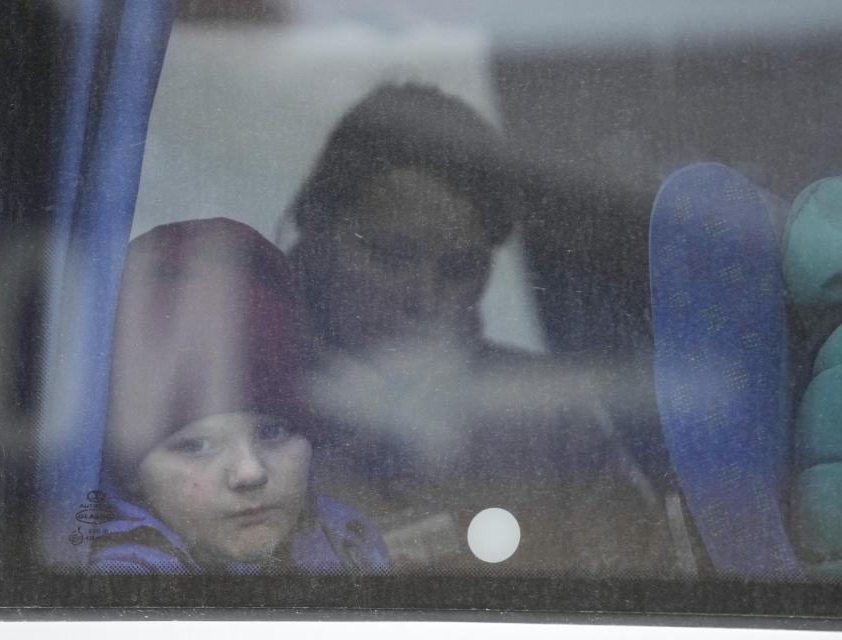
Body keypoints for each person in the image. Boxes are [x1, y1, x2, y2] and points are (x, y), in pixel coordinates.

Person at [285, 83, 673, 574]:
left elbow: (634, 592)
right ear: (315, 225)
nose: (425, 300)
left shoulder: (548, 421)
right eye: (391, 255)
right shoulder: (233, 411)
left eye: (459, 268)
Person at [90, 217, 389, 574]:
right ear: (131, 473)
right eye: (195, 445)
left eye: (272, 432)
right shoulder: (122, 572)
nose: (250, 473)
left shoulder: (346, 541)